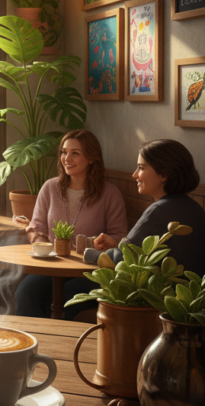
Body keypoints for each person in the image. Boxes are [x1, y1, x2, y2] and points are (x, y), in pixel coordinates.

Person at [15, 129, 128, 320]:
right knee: (26, 292)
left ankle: (57, 347)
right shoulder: (50, 187)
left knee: (66, 298)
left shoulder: (110, 193)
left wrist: (108, 242)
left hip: (90, 271)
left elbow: (120, 238)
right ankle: (34, 344)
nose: (67, 158)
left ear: (91, 158)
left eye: (75, 153)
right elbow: (37, 228)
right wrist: (38, 238)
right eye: (64, 152)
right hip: (54, 266)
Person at [86, 139, 205, 276]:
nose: (134, 174)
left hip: (158, 294)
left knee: (70, 288)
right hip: (189, 294)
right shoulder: (194, 208)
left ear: (164, 175)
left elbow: (123, 260)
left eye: (141, 168)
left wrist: (89, 254)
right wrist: (116, 247)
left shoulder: (159, 211)